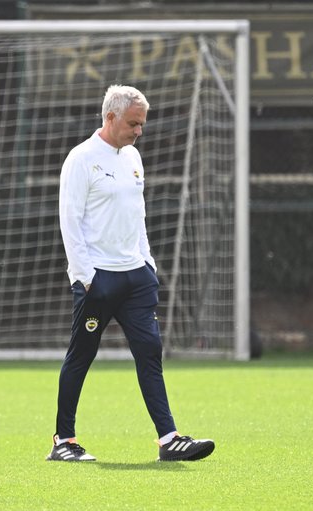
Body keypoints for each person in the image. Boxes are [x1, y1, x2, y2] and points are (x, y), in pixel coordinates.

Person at [47, 85, 215, 463]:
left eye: (142, 124)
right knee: (81, 355)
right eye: (133, 123)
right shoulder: (81, 159)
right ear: (110, 117)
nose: (139, 131)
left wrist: (147, 263)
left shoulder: (134, 156)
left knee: (150, 353)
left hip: (136, 278)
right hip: (98, 280)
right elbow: (70, 222)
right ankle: (64, 441)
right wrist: (86, 277)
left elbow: (137, 216)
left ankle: (169, 439)